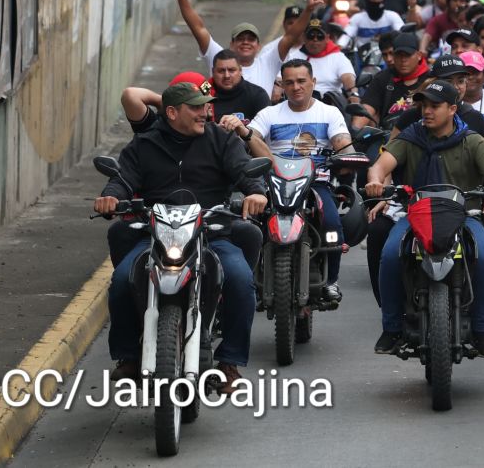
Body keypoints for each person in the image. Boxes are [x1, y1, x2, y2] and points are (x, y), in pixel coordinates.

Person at [95, 82, 266, 392]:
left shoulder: (222, 139)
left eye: (206, 106)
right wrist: (109, 197)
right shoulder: (145, 144)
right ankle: (128, 357)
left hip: (211, 233)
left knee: (241, 279)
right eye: (196, 107)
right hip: (156, 235)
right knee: (122, 280)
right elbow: (122, 179)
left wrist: (256, 192)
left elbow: (245, 172)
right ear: (171, 113)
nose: (205, 113)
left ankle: (229, 363)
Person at [366, 80, 484, 357]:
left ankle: (482, 328)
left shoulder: (472, 141)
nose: (427, 111)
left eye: (435, 106)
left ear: (452, 109)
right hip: (414, 215)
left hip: (464, 215)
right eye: (424, 105)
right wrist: (375, 182)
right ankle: (392, 327)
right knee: (389, 255)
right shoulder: (409, 138)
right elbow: (380, 166)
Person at [230, 59, 350, 302]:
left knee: (332, 223)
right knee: (247, 224)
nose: (296, 87)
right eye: (290, 82)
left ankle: (332, 281)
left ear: (313, 82)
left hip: (315, 184)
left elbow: (343, 144)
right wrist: (242, 134)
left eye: (301, 81)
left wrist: (348, 155)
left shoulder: (329, 112)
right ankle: (246, 280)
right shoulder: (268, 114)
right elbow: (247, 142)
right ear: (282, 85)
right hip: (274, 184)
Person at [167, 0, 289, 89]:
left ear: (259, 46)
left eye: (251, 39)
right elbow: (198, 28)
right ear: (231, 45)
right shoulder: (218, 57)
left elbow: (291, 36)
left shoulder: (267, 64)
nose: (245, 42)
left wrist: (309, 10)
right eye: (240, 39)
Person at [356, 31, 432, 128]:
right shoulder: (382, 78)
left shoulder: (432, 79)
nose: (403, 60)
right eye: (399, 55)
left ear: (419, 55)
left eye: (407, 55)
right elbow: (366, 109)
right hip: (388, 139)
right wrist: (355, 132)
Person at [284, 18, 357, 99]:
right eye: (311, 36)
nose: (315, 39)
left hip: (331, 104)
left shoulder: (339, 57)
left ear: (327, 38)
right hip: (297, 101)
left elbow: (348, 77)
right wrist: (277, 89)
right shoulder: (293, 56)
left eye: (320, 36)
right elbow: (280, 78)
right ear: (304, 37)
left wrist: (353, 94)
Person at [206, 50, 271, 123]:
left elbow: (267, 128)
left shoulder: (258, 94)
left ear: (240, 70)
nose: (226, 76)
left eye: (231, 70)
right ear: (213, 71)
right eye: (221, 71)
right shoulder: (204, 91)